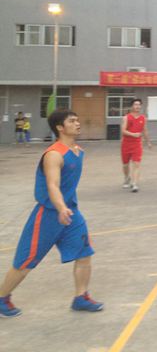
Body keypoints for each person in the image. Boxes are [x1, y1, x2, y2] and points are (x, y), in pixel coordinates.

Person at [0, 110, 103, 318]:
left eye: (77, 120)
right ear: (60, 127)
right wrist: (60, 207)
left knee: (84, 254)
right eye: (72, 121)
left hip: (71, 213)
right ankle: (2, 298)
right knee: (25, 263)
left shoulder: (78, 151)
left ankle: (81, 297)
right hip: (48, 214)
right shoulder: (54, 154)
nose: (77, 123)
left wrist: (67, 208)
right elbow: (52, 185)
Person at [121, 98, 151, 193]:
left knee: (136, 164)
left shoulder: (143, 118)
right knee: (125, 164)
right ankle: (127, 178)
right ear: (132, 106)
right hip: (126, 144)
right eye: (135, 104)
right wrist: (133, 134)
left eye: (139, 104)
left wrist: (148, 142)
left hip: (137, 144)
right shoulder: (126, 117)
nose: (137, 106)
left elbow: (145, 130)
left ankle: (135, 184)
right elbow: (123, 131)